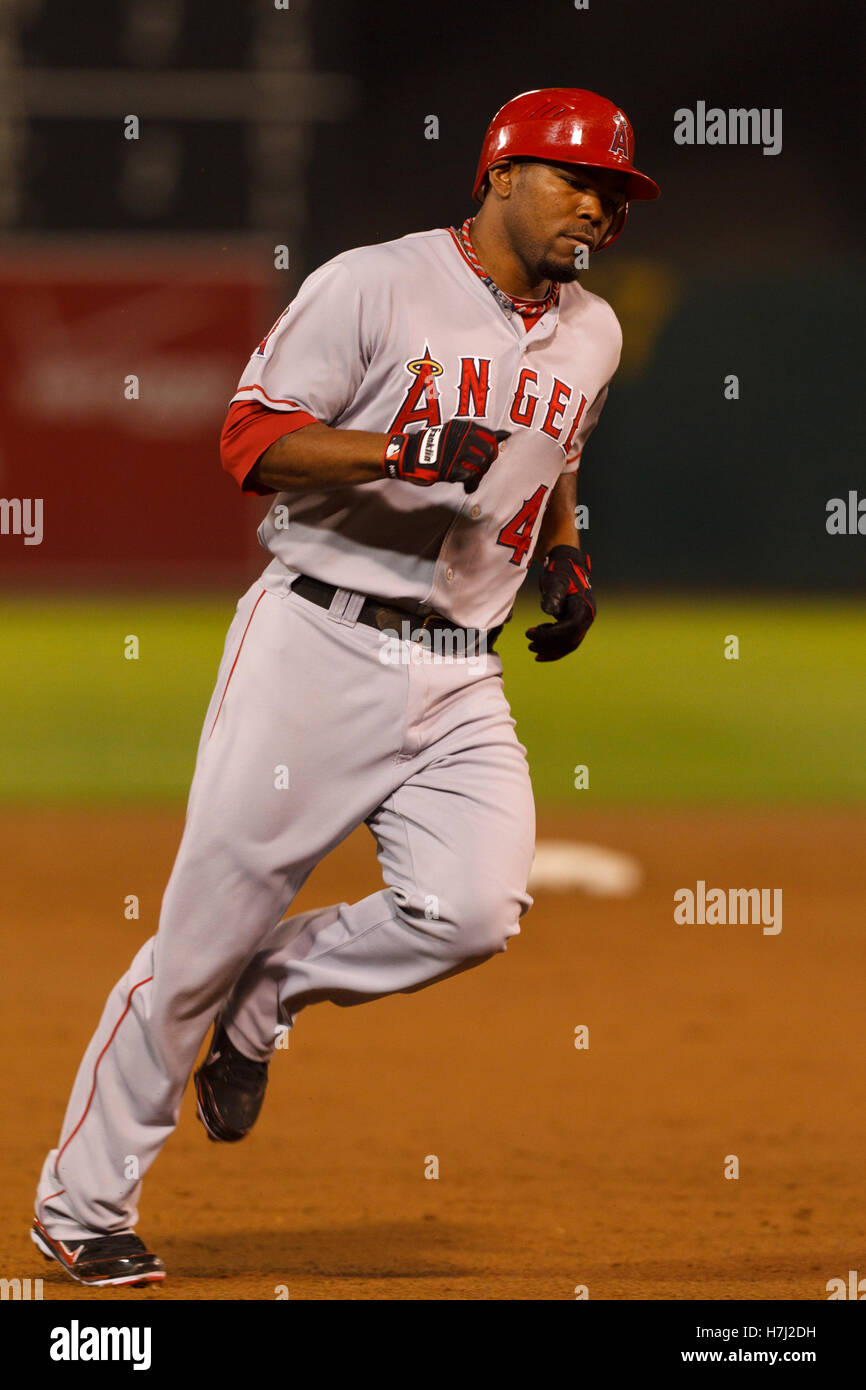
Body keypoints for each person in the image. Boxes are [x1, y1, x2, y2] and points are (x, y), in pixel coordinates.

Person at [32, 87, 658, 1286]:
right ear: (497, 173)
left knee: (473, 907)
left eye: (615, 194)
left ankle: (269, 990)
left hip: (459, 665)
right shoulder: (372, 283)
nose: (597, 208)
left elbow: (557, 444)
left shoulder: (594, 331)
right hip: (315, 647)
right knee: (194, 941)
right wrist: (398, 448)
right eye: (576, 181)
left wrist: (565, 552)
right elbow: (247, 442)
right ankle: (82, 1203)